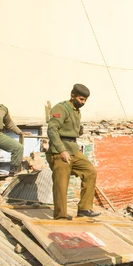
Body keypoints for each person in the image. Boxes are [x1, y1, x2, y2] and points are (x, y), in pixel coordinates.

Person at [46, 84, 100, 220]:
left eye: (85, 100)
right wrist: (61, 150)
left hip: (73, 148)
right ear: (72, 96)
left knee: (90, 172)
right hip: (59, 150)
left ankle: (84, 208)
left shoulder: (76, 111)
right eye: (81, 99)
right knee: (61, 183)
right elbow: (52, 130)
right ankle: (61, 215)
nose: (83, 103)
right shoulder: (61, 108)